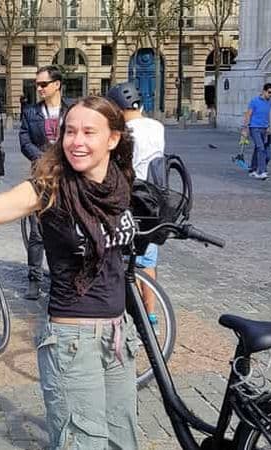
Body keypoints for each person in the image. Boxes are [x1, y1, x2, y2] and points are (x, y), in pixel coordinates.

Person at [0, 95, 139, 449]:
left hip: (118, 336)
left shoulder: (119, 182)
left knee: (122, 440)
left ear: (113, 139)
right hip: (73, 341)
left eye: (88, 132)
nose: (77, 141)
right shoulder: (49, 187)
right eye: (70, 131)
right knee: (83, 444)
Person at [106, 81, 165, 333]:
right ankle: (150, 315)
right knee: (148, 260)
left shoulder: (125, 131)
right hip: (156, 198)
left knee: (123, 259)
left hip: (131, 198)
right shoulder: (158, 126)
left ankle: (125, 314)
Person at [19, 65, 74, 300]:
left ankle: (64, 275)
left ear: (57, 85)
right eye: (37, 84)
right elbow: (24, 140)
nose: (39, 88)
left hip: (68, 176)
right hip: (41, 175)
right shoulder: (31, 112)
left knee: (68, 227)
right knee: (37, 230)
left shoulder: (73, 109)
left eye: (43, 84)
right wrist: (43, 160)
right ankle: (34, 278)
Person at [241, 83, 271, 180]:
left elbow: (267, 114)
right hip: (254, 128)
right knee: (261, 148)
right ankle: (262, 171)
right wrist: (245, 129)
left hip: (265, 129)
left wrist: (268, 127)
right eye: (269, 92)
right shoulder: (254, 101)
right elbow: (248, 114)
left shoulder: (270, 102)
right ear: (264, 91)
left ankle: (253, 169)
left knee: (266, 154)